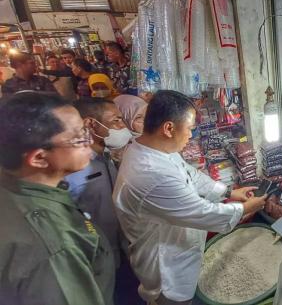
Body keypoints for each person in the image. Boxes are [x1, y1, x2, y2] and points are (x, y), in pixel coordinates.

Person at [113, 90, 267, 305]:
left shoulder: (156, 149)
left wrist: (228, 192)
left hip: (179, 248)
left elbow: (190, 174)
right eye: (190, 129)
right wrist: (245, 208)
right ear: (168, 128)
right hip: (167, 269)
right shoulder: (150, 173)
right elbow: (202, 212)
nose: (191, 136)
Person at [0, 92, 115, 305]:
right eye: (80, 138)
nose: (89, 143)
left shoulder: (13, 183)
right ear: (39, 158)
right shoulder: (54, 247)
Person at [62, 98, 141, 305]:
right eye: (116, 121)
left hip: (122, 249)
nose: (123, 126)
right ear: (90, 124)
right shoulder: (75, 169)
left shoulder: (106, 156)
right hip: (94, 257)